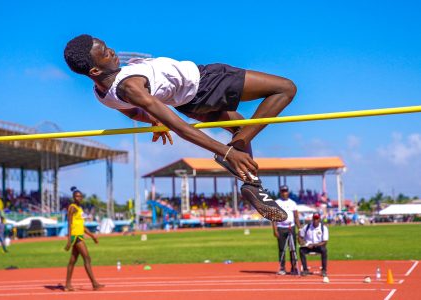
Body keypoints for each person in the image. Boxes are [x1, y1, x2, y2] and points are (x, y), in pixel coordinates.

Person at [64, 35, 297, 222]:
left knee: (240, 126)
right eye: (105, 53)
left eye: (107, 47)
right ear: (94, 71)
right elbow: (181, 128)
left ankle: (252, 184)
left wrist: (153, 121)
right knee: (285, 88)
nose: (112, 51)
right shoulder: (130, 86)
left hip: (188, 101)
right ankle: (235, 153)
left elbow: (133, 111)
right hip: (206, 81)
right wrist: (226, 152)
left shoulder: (102, 94)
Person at [64, 187, 104, 291]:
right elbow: (69, 223)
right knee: (87, 258)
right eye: (77, 196)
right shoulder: (72, 207)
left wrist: (92, 236)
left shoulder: (80, 209)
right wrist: (69, 240)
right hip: (75, 236)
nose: (79, 198)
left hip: (79, 235)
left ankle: (67, 285)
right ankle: (94, 283)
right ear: (73, 197)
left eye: (80, 196)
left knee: (72, 261)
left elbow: (82, 226)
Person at [272, 185, 301, 275]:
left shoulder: (292, 203)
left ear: (288, 192)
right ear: (280, 192)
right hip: (281, 228)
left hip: (290, 227)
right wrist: (275, 230)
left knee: (293, 249)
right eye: (283, 191)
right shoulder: (276, 203)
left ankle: (294, 267)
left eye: (286, 191)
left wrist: (299, 229)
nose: (284, 193)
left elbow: (296, 217)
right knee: (282, 249)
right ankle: (282, 268)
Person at [298, 212, 329, 277]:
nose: (315, 220)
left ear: (319, 219)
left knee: (324, 250)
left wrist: (315, 245)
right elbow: (300, 236)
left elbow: (325, 241)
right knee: (301, 250)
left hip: (318, 246)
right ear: (312, 219)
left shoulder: (323, 228)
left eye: (317, 219)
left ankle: (324, 270)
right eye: (314, 218)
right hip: (308, 246)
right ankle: (305, 270)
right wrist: (303, 243)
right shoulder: (307, 227)